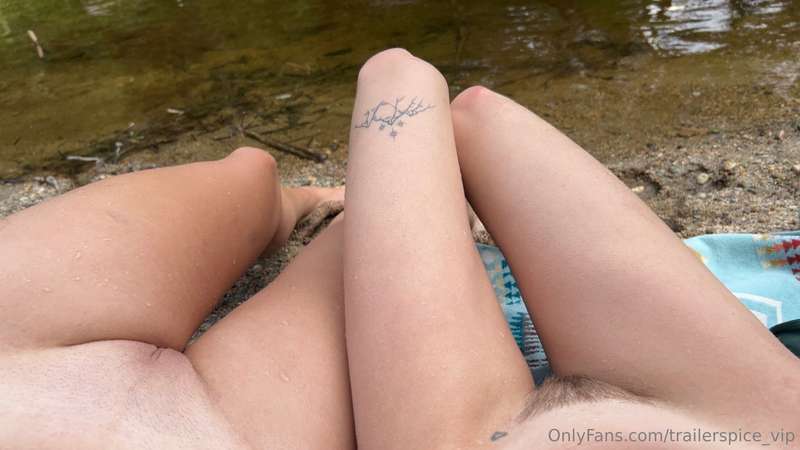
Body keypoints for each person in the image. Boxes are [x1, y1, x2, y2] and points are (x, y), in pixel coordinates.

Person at [0, 48, 796, 449]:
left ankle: (298, 203)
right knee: (270, 186)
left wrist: (403, 94)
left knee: (262, 177)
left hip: (154, 412)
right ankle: (299, 204)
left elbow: (454, 106)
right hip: (193, 425)